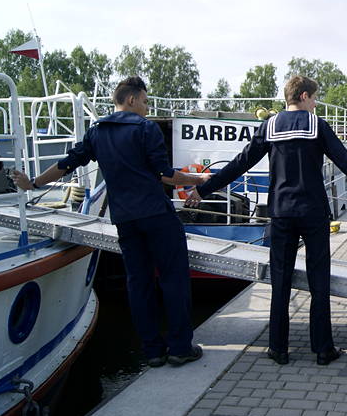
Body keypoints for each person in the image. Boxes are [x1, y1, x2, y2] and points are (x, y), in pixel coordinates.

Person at [185, 76, 347, 366]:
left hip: (281, 214)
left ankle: (278, 348)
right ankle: (323, 349)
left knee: (281, 281)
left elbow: (240, 164)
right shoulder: (317, 126)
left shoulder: (270, 126)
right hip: (313, 214)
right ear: (303, 96)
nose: (315, 104)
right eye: (314, 98)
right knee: (319, 282)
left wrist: (202, 190)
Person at [11, 77, 208, 367]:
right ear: (131, 99)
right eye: (144, 100)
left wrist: (35, 183)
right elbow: (165, 175)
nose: (146, 106)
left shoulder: (97, 132)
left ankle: (152, 351)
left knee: (138, 283)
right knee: (173, 279)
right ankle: (180, 348)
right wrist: (198, 179)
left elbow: (68, 163)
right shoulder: (146, 128)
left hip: (125, 220)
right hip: (157, 216)